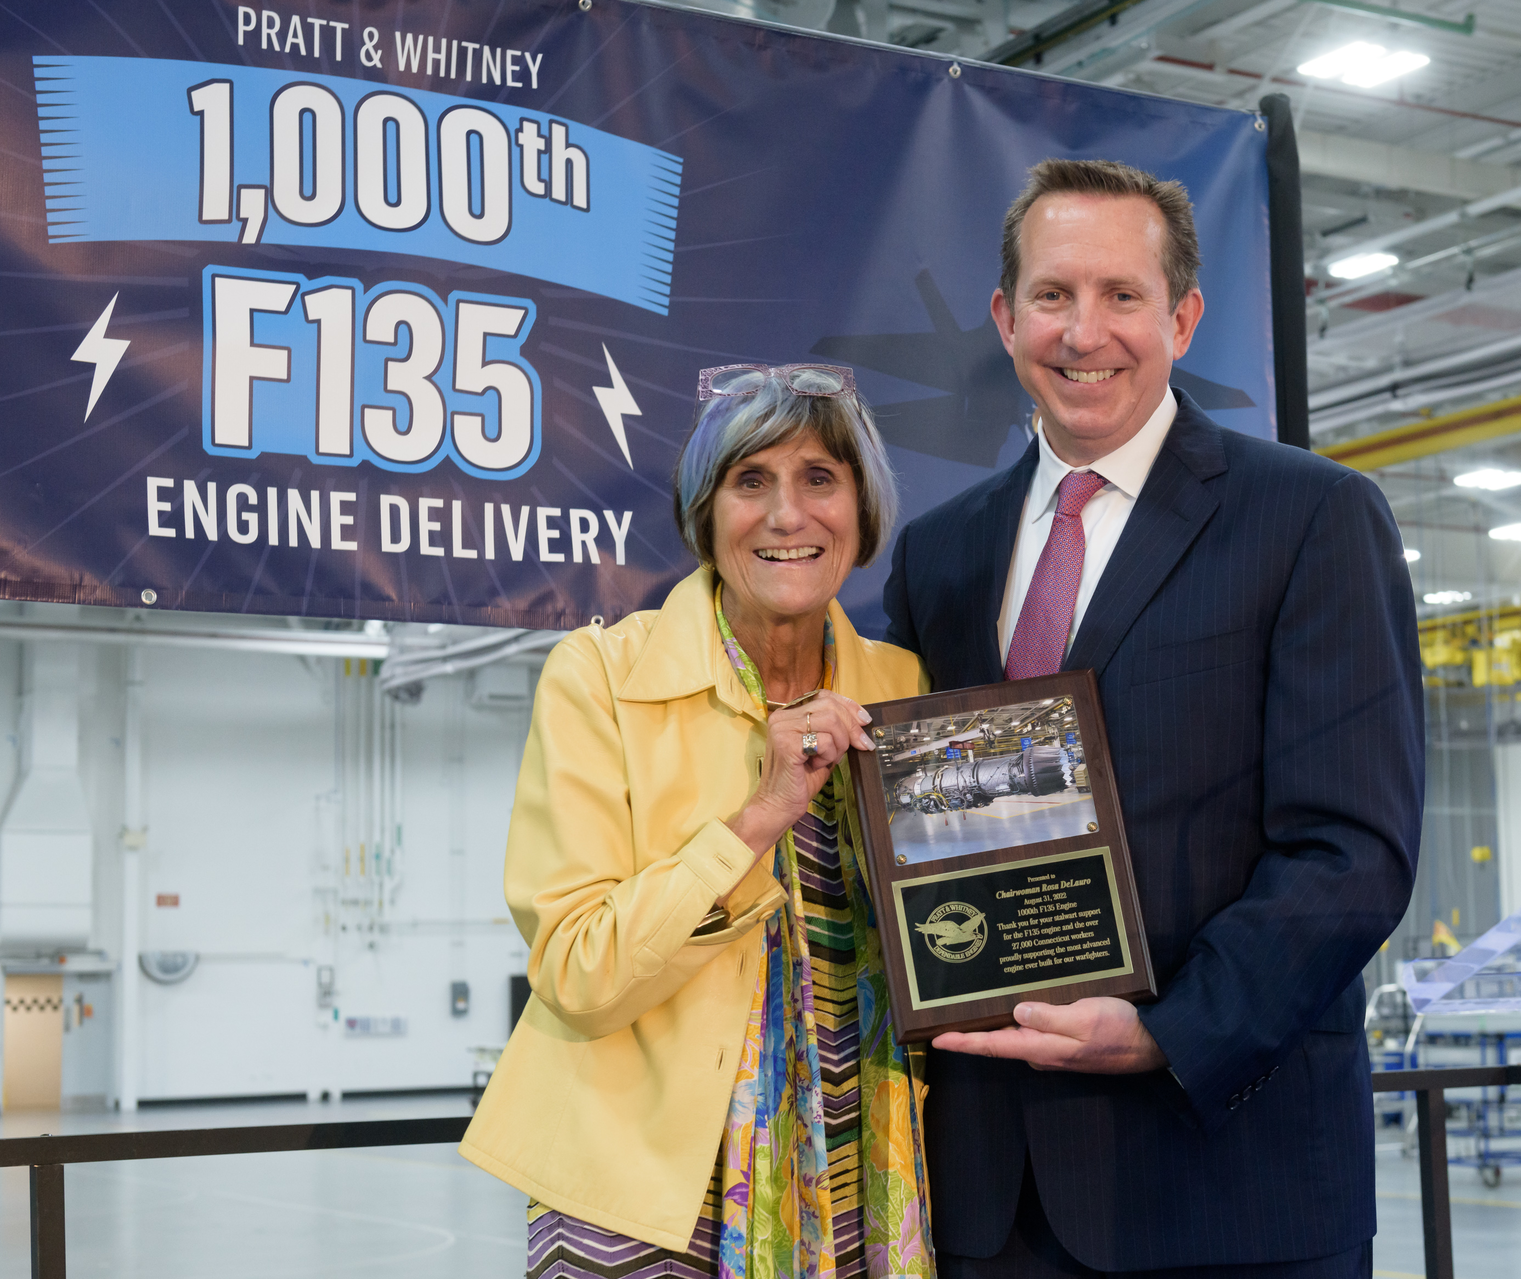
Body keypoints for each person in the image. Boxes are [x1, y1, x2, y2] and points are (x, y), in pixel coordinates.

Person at [882, 159, 1424, 1278]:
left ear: (1183, 318)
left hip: (1227, 1181)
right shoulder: (940, 556)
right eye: (1052, 296)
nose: (1085, 332)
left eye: (1123, 296)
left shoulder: (1311, 518)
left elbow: (1352, 851)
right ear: (1004, 317)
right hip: (991, 1199)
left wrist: (1166, 1032)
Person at [460, 363, 933, 1279]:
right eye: (750, 480)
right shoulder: (600, 676)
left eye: (819, 479)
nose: (787, 515)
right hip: (638, 1191)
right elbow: (576, 969)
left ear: (862, 513)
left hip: (857, 1160)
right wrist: (757, 817)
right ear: (705, 515)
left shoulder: (902, 687)